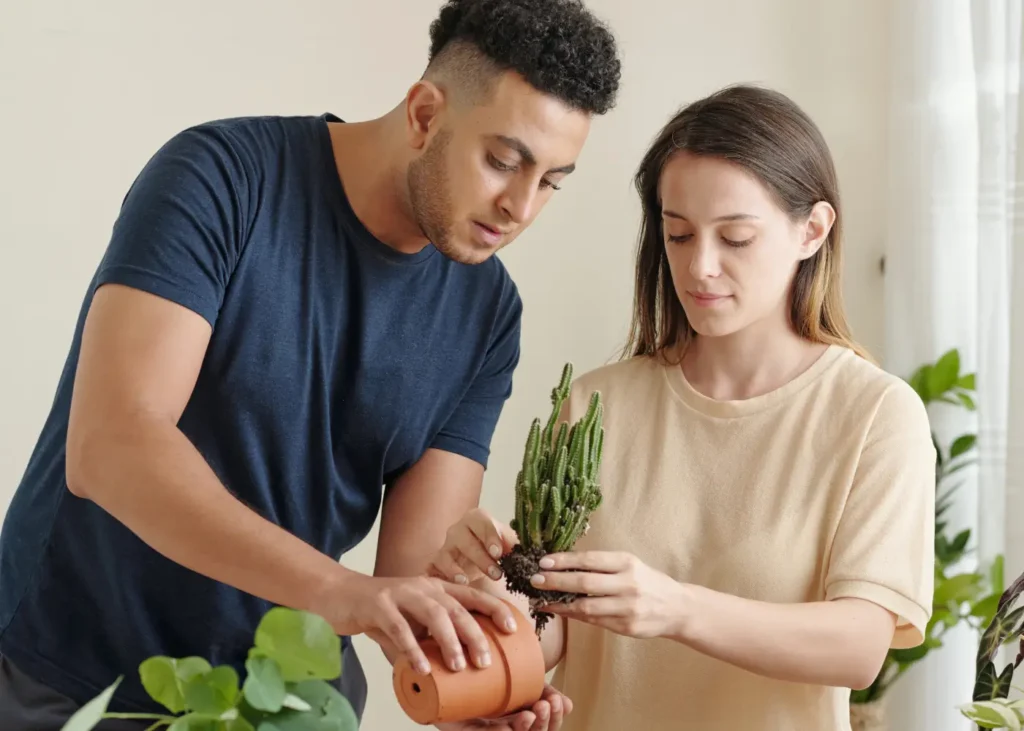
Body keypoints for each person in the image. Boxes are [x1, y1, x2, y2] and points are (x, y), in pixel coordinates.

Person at [0, 1, 621, 729]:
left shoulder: (488, 315)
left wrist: (464, 684)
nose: (521, 206)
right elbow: (111, 445)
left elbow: (409, 576)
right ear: (425, 114)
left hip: (285, 700)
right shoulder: (221, 179)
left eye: (551, 180)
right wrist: (341, 591)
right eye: (504, 161)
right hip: (66, 678)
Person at [430, 84, 936, 731]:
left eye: (736, 237)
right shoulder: (594, 403)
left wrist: (676, 608)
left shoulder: (875, 414)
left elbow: (860, 645)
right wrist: (490, 608)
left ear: (812, 230)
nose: (700, 266)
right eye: (678, 234)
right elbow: (555, 626)